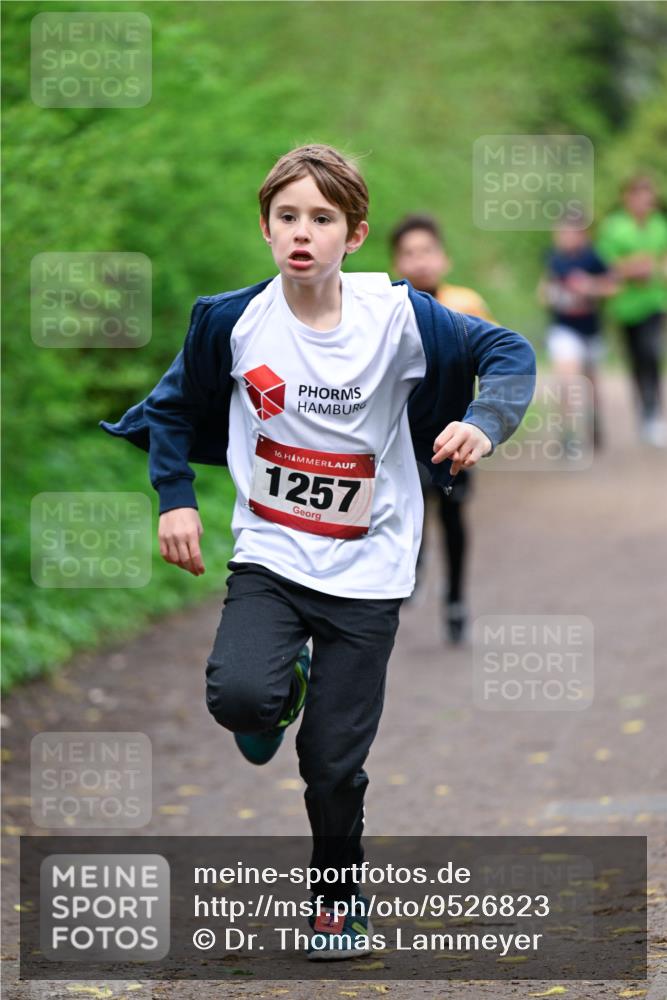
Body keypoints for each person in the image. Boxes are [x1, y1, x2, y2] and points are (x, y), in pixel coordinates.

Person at [100, 143, 536, 960]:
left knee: (331, 764)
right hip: (271, 555)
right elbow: (166, 408)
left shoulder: (399, 317)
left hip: (370, 568)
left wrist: (483, 421)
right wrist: (175, 501)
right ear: (265, 229)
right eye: (287, 217)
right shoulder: (231, 322)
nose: (303, 233)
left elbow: (505, 352)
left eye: (322, 219)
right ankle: (281, 681)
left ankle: (337, 899)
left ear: (354, 233)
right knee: (240, 700)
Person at [390, 213, 495, 642]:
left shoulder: (467, 305)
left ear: (444, 258)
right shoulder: (386, 308)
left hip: (455, 435)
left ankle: (455, 599)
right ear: (397, 263)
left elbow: (496, 361)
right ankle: (410, 567)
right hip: (401, 434)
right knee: (405, 503)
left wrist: (485, 420)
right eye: (409, 253)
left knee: (452, 516)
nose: (420, 261)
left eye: (427, 251)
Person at [597, 175, 667, 447]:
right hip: (625, 306)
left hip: (653, 302)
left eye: (646, 196)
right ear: (627, 197)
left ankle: (654, 411)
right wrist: (633, 268)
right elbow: (606, 265)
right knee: (636, 360)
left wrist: (654, 269)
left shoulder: (660, 225)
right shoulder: (614, 227)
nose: (642, 202)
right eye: (637, 196)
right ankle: (644, 411)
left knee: (652, 353)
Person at [538, 214, 617, 450]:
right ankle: (568, 433)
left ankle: (594, 420)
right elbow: (543, 290)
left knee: (591, 382)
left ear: (582, 235)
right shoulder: (553, 258)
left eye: (569, 233)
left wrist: (590, 287)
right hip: (563, 328)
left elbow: (613, 286)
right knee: (567, 380)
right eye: (560, 233)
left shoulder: (593, 257)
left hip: (590, 329)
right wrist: (551, 295)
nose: (564, 238)